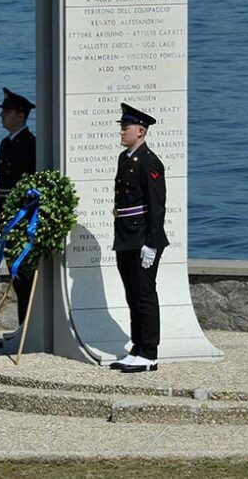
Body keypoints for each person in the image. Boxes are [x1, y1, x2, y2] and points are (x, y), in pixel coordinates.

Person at [109, 103, 168, 373]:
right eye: (122, 127)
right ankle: (137, 347)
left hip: (143, 237)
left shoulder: (149, 162)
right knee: (132, 295)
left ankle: (149, 353)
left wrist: (152, 244)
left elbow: (157, 206)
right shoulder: (126, 158)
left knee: (145, 295)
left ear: (141, 131)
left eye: (126, 127)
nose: (122, 131)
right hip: (125, 236)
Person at [0, 87, 36, 338]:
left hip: (22, 219)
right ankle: (23, 327)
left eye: (7, 112)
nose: (2, 116)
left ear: (20, 115)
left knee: (24, 277)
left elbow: (30, 185)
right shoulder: (5, 143)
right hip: (7, 216)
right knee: (15, 274)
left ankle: (28, 327)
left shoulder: (30, 144)